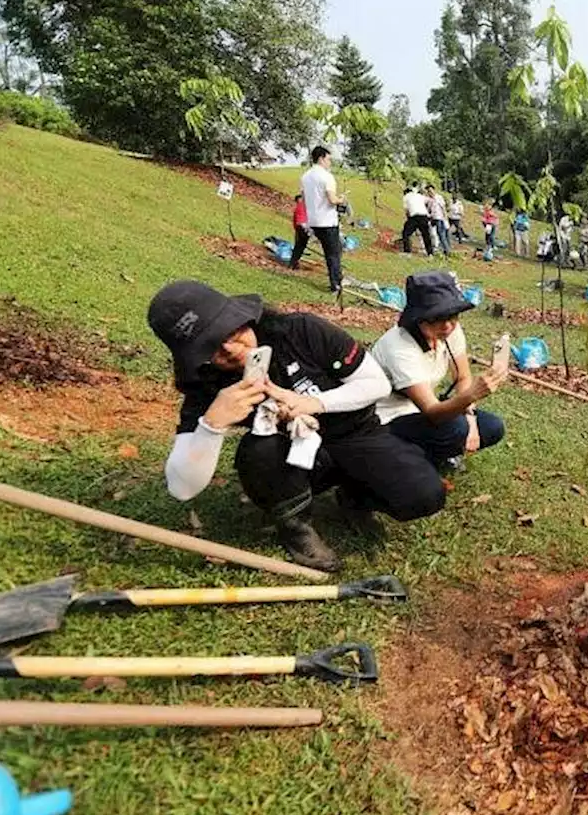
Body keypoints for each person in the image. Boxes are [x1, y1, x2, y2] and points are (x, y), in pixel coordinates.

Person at [147, 281, 445, 572]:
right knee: (259, 450)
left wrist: (314, 403)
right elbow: (181, 486)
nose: (231, 349)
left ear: (243, 316)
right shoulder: (208, 384)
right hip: (291, 457)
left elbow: (376, 383)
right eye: (211, 347)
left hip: (354, 433)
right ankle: (296, 526)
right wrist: (212, 425)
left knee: (423, 495)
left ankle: (356, 494)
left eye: (232, 331)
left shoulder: (299, 331)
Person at [371, 272, 507, 468]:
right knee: (455, 429)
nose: (447, 325)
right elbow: (433, 412)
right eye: (437, 318)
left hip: (423, 411)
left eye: (453, 316)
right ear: (419, 318)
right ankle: (416, 459)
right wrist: (470, 396)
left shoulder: (450, 330)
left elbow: (462, 377)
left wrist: (470, 418)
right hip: (389, 418)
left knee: (492, 426)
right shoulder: (399, 346)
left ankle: (433, 455)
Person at [300, 146, 346, 292]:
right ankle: (336, 283)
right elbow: (332, 199)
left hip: (313, 220)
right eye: (328, 159)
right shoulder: (327, 176)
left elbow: (304, 198)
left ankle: (337, 277)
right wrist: (341, 199)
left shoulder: (305, 176)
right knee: (334, 253)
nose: (329, 162)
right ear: (321, 158)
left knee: (332, 250)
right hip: (327, 221)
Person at [402, 184, 433, 256]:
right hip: (424, 216)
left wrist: (409, 220)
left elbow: (407, 211)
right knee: (426, 235)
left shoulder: (405, 197)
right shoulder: (419, 196)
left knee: (406, 233)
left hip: (414, 217)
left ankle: (407, 251)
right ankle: (430, 253)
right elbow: (429, 200)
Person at [426, 184, 451, 257]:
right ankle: (436, 247)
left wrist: (445, 218)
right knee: (432, 233)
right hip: (433, 218)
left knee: (441, 234)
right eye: (428, 191)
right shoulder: (429, 199)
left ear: (434, 190)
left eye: (430, 191)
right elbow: (429, 209)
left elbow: (443, 208)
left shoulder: (439, 198)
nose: (430, 193)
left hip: (439, 218)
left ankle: (447, 250)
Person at [288, 194, 309, 271]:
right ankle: (294, 263)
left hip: (300, 227)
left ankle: (293, 263)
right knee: (300, 245)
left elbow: (295, 222)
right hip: (304, 227)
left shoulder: (299, 207)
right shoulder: (303, 206)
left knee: (299, 246)